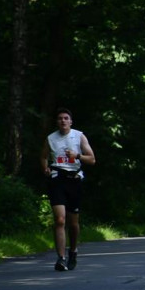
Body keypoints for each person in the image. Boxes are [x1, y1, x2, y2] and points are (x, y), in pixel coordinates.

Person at [41, 108, 96, 271]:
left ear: (71, 122)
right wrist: (45, 168)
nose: (63, 121)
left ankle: (73, 251)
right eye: (60, 118)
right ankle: (61, 258)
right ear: (56, 122)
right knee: (60, 220)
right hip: (57, 178)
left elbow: (92, 159)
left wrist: (77, 156)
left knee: (73, 223)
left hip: (74, 179)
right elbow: (43, 156)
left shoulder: (79, 136)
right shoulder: (51, 138)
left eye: (66, 118)